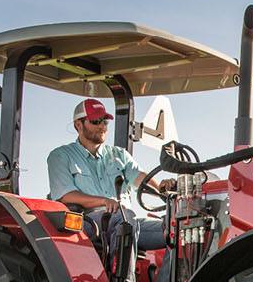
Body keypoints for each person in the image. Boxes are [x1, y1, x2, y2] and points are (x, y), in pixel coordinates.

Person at [47, 98, 166, 251]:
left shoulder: (119, 155)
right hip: (88, 222)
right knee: (125, 219)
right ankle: (125, 276)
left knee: (175, 230)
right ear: (78, 125)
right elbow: (66, 195)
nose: (102, 126)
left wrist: (163, 190)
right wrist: (104, 201)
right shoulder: (61, 156)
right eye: (96, 121)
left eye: (105, 122)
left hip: (126, 220)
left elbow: (142, 179)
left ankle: (172, 276)